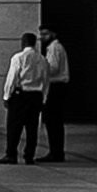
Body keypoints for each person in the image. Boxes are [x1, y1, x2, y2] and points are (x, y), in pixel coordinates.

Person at [3, 30, 48, 165]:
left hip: (21, 95)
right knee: (32, 127)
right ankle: (29, 155)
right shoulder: (42, 59)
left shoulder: (18, 57)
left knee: (14, 126)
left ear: (23, 42)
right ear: (34, 43)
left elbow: (12, 78)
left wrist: (7, 96)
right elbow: (46, 80)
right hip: (36, 95)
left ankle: (11, 154)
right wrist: (44, 98)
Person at [39, 22, 71, 164]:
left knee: (53, 121)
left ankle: (56, 152)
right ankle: (56, 151)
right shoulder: (55, 47)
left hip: (56, 86)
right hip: (57, 86)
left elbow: (53, 68)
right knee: (54, 122)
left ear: (53, 34)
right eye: (41, 34)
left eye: (45, 34)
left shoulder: (54, 48)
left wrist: (40, 68)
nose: (42, 37)